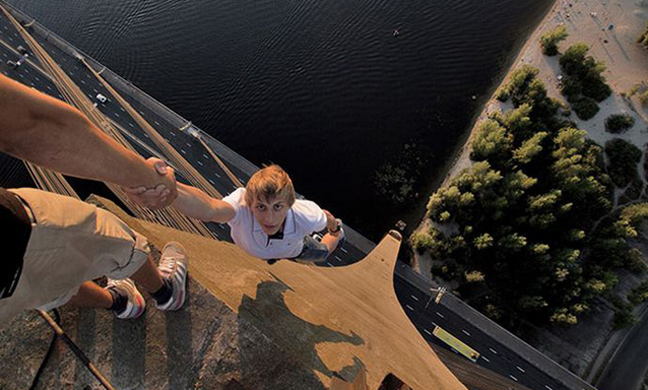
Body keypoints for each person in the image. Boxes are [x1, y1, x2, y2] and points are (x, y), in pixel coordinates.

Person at [0, 74, 188, 325]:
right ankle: (166, 292)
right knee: (113, 240)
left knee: (42, 289)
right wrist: (148, 180)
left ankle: (120, 302)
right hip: (11, 235)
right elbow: (29, 126)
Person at [132, 164, 344, 264]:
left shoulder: (305, 214)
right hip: (270, 250)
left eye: (277, 207)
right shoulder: (241, 207)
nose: (269, 219)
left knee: (322, 253)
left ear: (290, 204)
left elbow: (325, 216)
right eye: (260, 207)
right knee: (272, 256)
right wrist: (170, 191)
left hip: (296, 249)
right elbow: (209, 208)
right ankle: (272, 256)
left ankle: (339, 235)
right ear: (250, 203)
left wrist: (334, 228)